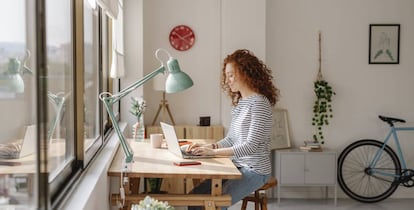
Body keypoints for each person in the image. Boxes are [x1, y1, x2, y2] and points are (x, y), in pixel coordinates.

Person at [187, 49, 280, 210]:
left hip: (255, 170)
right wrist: (208, 147)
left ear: (245, 73)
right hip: (237, 165)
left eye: (231, 75)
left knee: (215, 204)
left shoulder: (259, 104)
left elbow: (250, 146)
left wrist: (213, 153)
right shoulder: (241, 103)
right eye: (226, 76)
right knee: (195, 197)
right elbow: (230, 139)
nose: (227, 80)